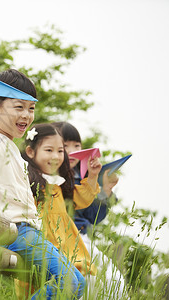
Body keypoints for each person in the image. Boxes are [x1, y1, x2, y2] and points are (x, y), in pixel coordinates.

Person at [0, 69, 85, 299]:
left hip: (28, 231)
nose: (26, 115)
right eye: (19, 107)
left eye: (31, 109)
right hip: (16, 230)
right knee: (72, 282)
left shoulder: (11, 147)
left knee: (76, 281)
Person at [52, 121, 127, 298]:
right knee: (90, 282)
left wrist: (105, 190)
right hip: (60, 238)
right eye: (65, 145)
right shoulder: (49, 175)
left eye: (76, 145)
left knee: (115, 280)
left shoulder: (84, 176)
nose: (72, 151)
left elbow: (93, 217)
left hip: (81, 237)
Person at [21, 123, 101, 276]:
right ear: (31, 152)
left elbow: (82, 198)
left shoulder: (58, 183)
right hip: (44, 249)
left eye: (60, 151)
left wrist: (93, 175)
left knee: (86, 282)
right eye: (49, 150)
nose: (56, 156)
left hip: (69, 250)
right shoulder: (27, 182)